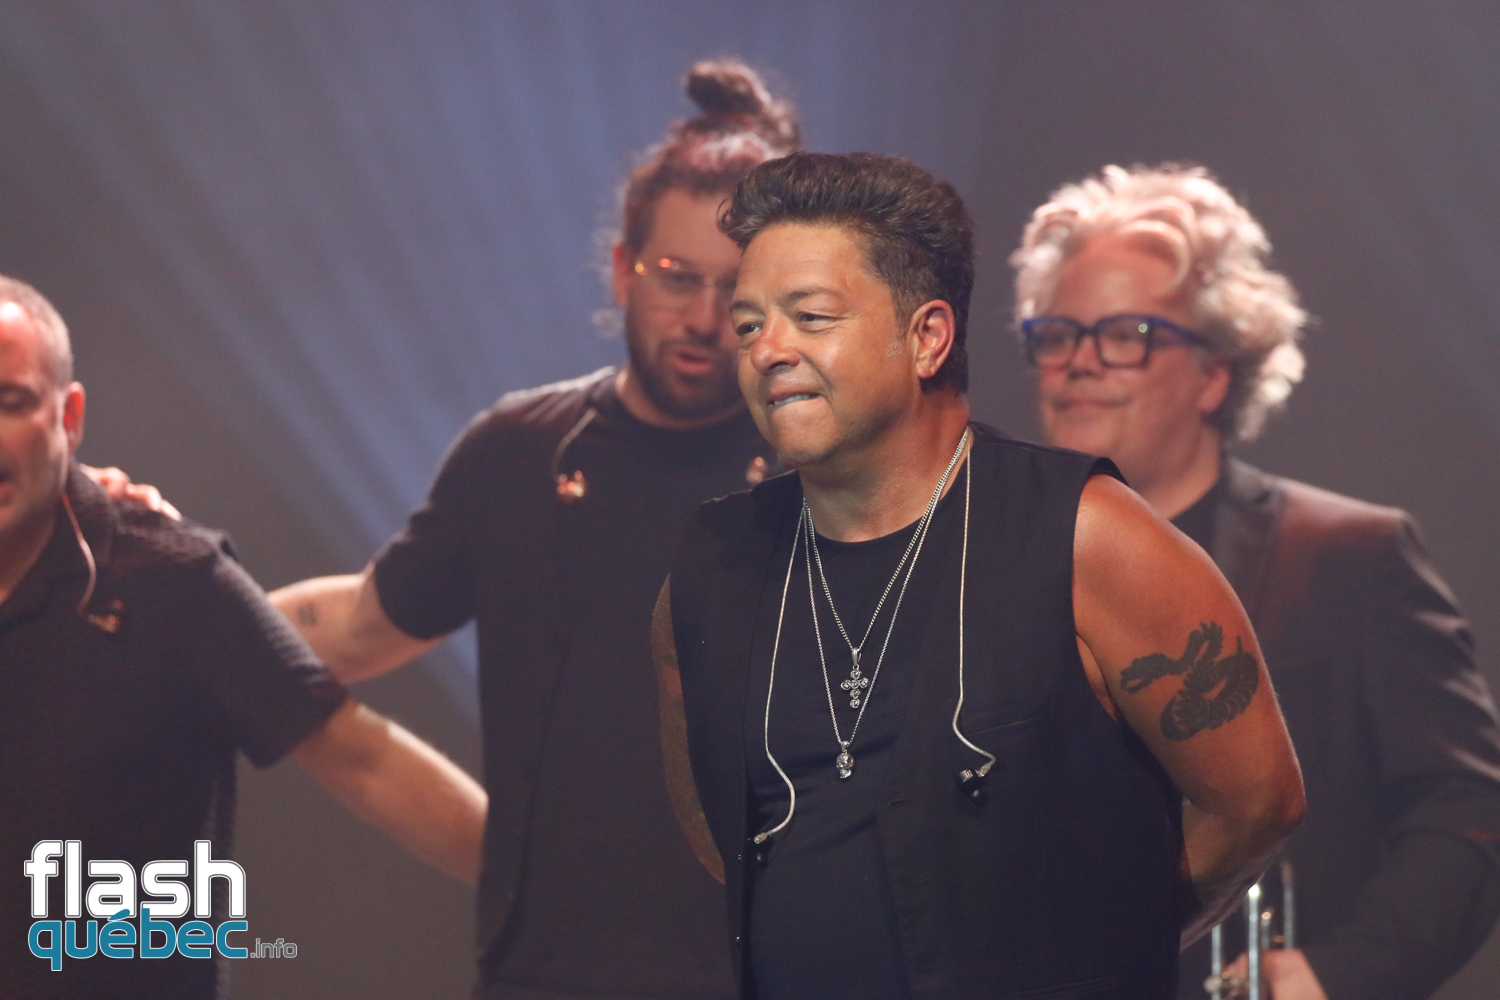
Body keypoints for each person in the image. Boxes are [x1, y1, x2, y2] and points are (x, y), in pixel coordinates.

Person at [654, 151, 1306, 1000]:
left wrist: (1101, 948)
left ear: (927, 337)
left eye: (810, 317)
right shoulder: (712, 566)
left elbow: (1255, 801)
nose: (768, 350)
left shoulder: (1087, 536)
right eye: (749, 327)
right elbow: (721, 834)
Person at [264, 61, 798, 1000]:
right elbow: (358, 624)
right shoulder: (518, 454)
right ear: (623, 269)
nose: (704, 319)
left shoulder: (828, 475)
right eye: (677, 278)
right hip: (542, 978)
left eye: (735, 290)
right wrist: (178, 596)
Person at [1010, 163, 1500, 1000]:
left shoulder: (1350, 556)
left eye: (1126, 334)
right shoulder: (996, 566)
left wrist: (1333, 976)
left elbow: (1467, 816)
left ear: (1215, 372)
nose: (1080, 363)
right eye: (1057, 334)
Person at [0, 274, 487, 999]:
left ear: (67, 417)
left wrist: (554, 891)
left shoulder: (171, 577)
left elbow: (362, 760)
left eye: (10, 403)